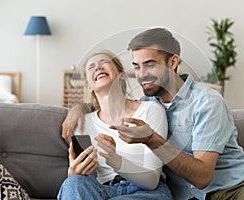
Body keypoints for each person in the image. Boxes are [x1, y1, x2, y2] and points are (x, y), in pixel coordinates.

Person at [62, 28, 244, 200]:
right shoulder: (147, 105)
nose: (142, 74)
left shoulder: (207, 102)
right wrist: (78, 109)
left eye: (150, 64)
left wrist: (151, 140)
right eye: (136, 66)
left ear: (173, 62)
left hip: (234, 187)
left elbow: (203, 177)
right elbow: (111, 106)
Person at [58, 50, 172, 200]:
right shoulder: (82, 123)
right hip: (104, 190)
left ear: (121, 75)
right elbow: (82, 182)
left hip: (146, 193)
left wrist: (116, 160)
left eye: (104, 62)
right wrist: (73, 172)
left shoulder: (150, 111)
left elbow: (152, 181)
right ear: (88, 86)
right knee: (73, 183)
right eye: (91, 67)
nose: (98, 67)